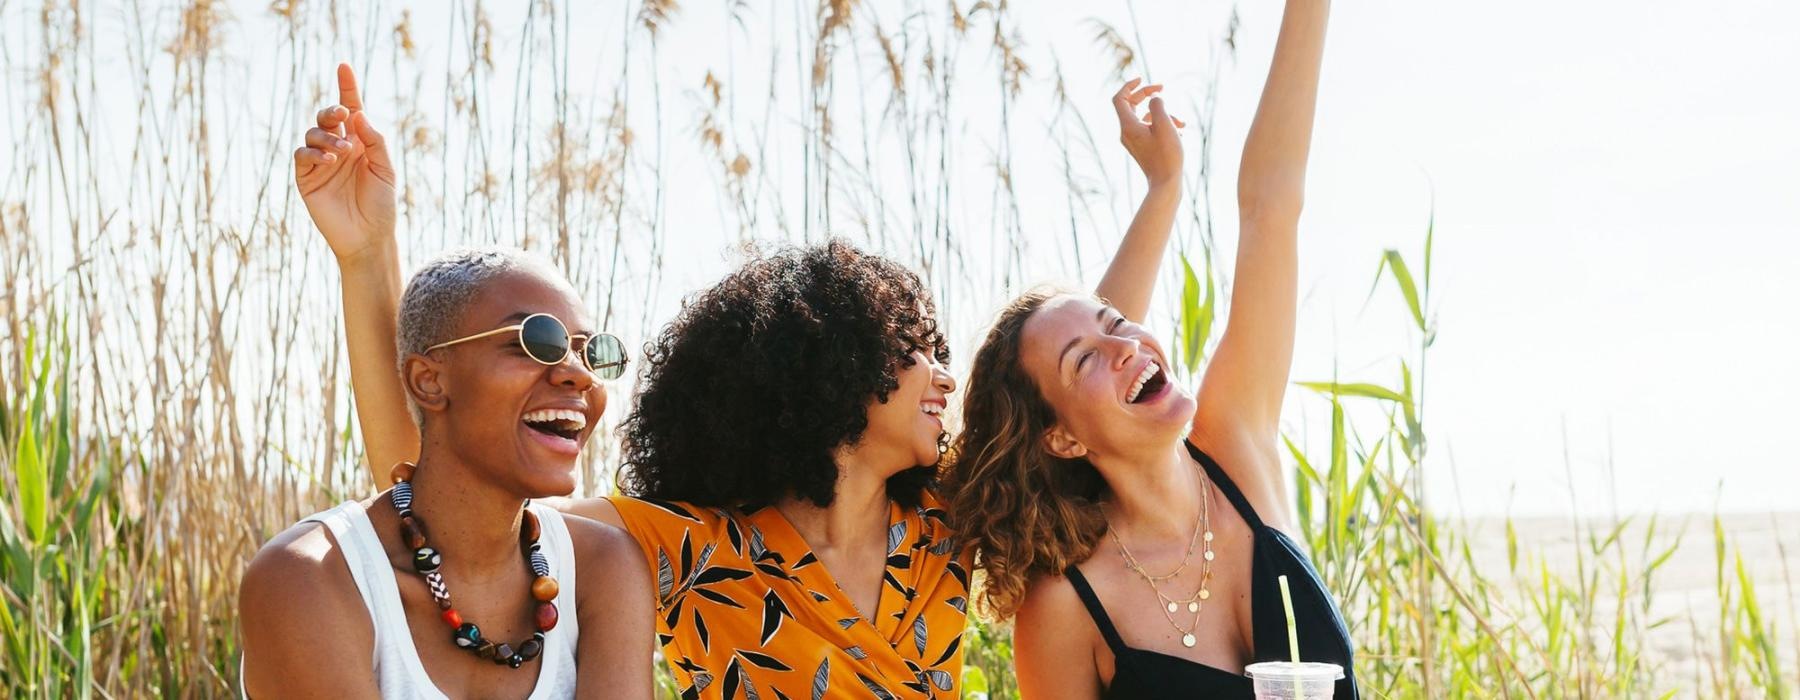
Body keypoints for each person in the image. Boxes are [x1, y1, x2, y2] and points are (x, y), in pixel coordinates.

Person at [308, 69, 1180, 699]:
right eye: (913, 348)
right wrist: (366, 260)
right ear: (832, 373)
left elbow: (1081, 381)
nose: (945, 378)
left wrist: (1162, 191)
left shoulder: (947, 524)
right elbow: (433, 470)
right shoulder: (689, 552)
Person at [943, 1, 1356, 698]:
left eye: (1116, 319)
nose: (1125, 342)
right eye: (1083, 358)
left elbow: (1270, 207)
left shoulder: (1236, 445)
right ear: (1062, 440)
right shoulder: (1066, 606)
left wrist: (1166, 187)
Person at [238, 66, 654, 699]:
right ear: (429, 381)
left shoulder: (605, 570)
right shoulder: (312, 579)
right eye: (535, 341)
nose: (574, 372)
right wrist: (367, 256)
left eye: (590, 351)